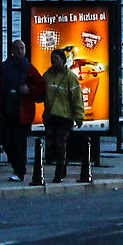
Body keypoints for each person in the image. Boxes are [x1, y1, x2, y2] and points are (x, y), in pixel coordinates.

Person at [0, 42, 44, 183]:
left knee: (19, 142)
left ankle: (19, 170)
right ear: (12, 50)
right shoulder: (3, 68)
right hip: (6, 111)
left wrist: (30, 90)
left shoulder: (29, 68)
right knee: (5, 140)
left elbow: (41, 87)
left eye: (22, 48)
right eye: (17, 48)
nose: (20, 51)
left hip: (23, 112)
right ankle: (17, 165)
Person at [44, 46, 86, 180]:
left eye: (56, 58)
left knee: (60, 144)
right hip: (50, 116)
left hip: (64, 117)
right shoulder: (47, 75)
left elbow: (77, 98)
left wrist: (79, 116)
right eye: (52, 58)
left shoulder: (70, 77)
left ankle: (59, 173)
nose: (53, 61)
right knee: (51, 145)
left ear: (63, 60)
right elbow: (41, 92)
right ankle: (62, 165)